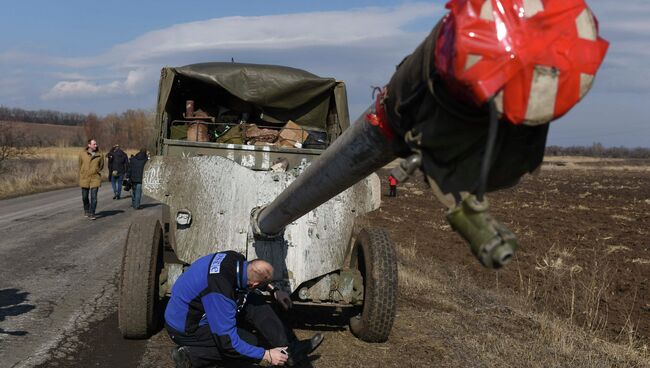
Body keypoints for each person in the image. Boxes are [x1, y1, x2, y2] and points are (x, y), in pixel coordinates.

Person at [165, 251, 323, 368]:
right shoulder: (220, 290)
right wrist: (265, 355)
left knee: (257, 303)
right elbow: (228, 343)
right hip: (187, 327)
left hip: (202, 304)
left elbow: (258, 274)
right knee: (247, 343)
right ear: (254, 283)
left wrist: (274, 291)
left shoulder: (236, 259)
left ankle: (290, 351)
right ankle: (191, 355)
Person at [78, 139, 104, 220]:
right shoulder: (82, 154)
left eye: (96, 144)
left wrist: (96, 170)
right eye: (94, 144)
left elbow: (101, 166)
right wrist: (82, 172)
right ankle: (86, 210)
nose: (96, 145)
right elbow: (80, 164)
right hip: (84, 177)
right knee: (84, 197)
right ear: (89, 145)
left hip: (95, 178)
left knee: (94, 198)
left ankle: (92, 213)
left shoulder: (100, 155)